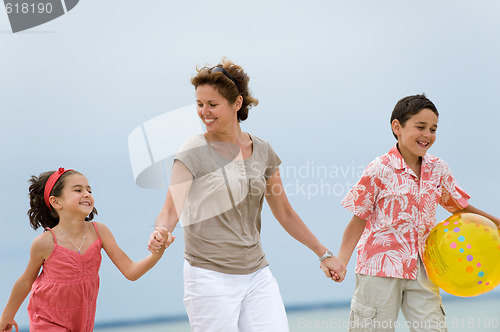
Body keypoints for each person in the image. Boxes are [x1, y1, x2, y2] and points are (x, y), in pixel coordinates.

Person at [147, 58, 347, 331]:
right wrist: (161, 230)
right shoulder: (192, 150)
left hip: (256, 274)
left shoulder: (263, 151)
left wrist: (324, 254)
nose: (204, 112)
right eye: (199, 104)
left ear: (237, 104)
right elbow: (171, 209)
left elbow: (285, 212)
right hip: (207, 275)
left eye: (212, 104)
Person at [338, 94, 500, 332]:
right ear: (397, 127)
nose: (428, 135)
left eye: (433, 129)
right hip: (379, 268)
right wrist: (342, 260)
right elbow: (358, 218)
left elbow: (459, 207)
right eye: (420, 127)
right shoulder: (379, 169)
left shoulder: (438, 169)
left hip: (425, 267)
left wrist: (496, 223)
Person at [0, 168, 174, 332]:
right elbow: (25, 282)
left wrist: (157, 253)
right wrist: (6, 317)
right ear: (56, 201)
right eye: (77, 190)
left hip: (82, 322)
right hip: (47, 320)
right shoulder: (45, 242)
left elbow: (131, 271)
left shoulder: (99, 232)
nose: (86, 194)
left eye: (89, 190)